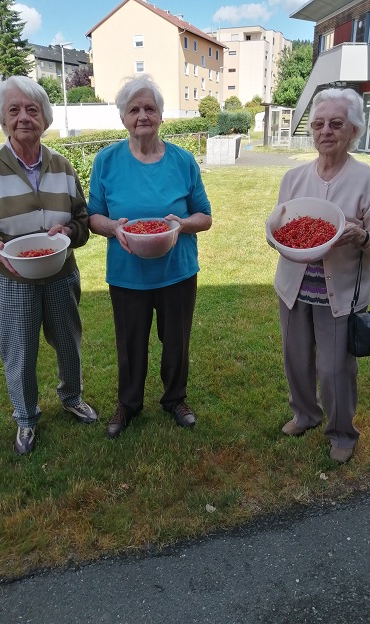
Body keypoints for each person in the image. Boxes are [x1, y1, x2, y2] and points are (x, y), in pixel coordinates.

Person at [0, 76, 97, 455]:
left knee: (68, 341)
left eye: (32, 110)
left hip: (59, 273)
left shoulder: (63, 166)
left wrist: (68, 229)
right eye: (14, 110)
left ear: (45, 118)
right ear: (3, 120)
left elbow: (82, 221)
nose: (23, 117)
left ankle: (72, 397)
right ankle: (26, 418)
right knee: (19, 350)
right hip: (9, 278)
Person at [270, 88, 370, 463]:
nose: (326, 131)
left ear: (353, 130)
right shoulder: (293, 177)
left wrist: (359, 235)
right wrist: (273, 236)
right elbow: (279, 228)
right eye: (319, 124)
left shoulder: (368, 180)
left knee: (335, 366)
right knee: (295, 357)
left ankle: (341, 432)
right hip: (295, 287)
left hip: (339, 292)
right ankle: (305, 414)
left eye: (336, 124)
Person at [87, 74, 212, 439]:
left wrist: (180, 224)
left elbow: (204, 216)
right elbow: (93, 216)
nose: (143, 115)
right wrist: (115, 229)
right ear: (123, 117)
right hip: (127, 273)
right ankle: (128, 403)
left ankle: (175, 398)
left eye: (150, 108)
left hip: (177, 270)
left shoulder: (183, 161)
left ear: (160, 115)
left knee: (176, 340)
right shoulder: (106, 161)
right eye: (134, 109)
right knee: (129, 342)